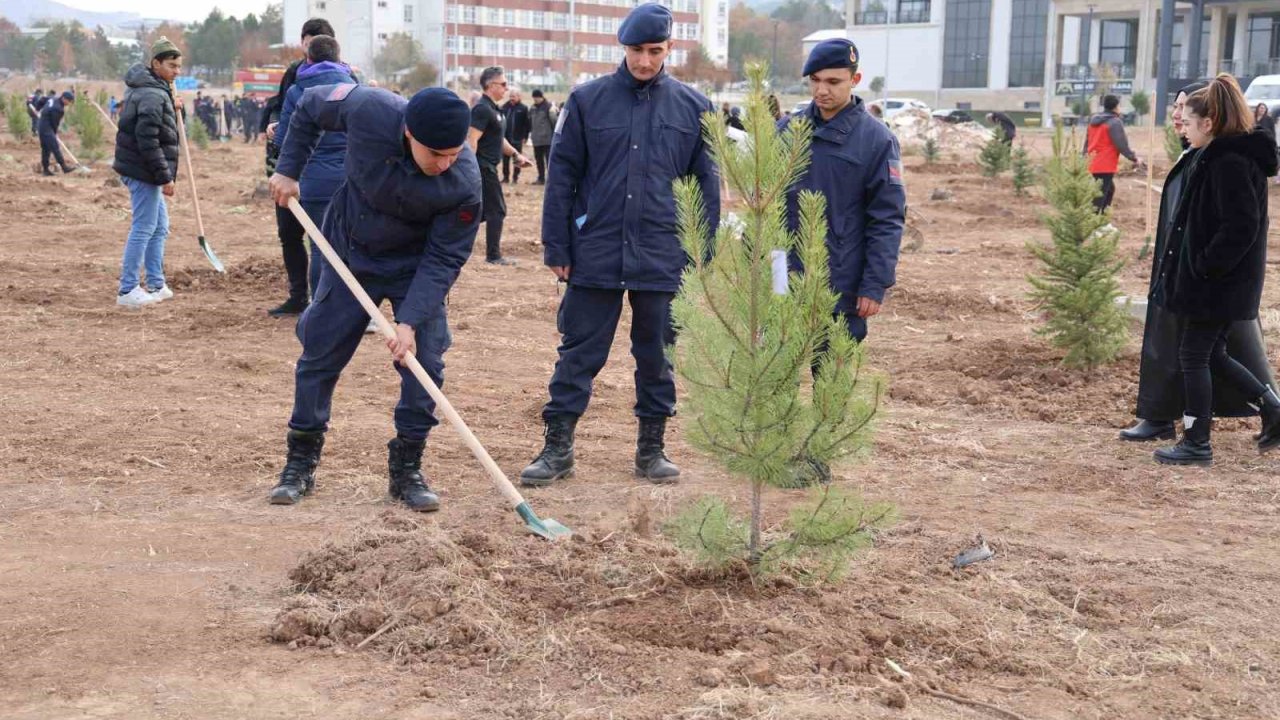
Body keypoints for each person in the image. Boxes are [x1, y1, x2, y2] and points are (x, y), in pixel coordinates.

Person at [519, 2, 720, 487]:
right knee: (578, 354)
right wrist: (558, 247)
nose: (645, 61)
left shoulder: (694, 109)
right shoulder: (588, 102)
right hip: (597, 251)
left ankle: (652, 450)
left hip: (662, 255)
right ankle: (557, 449)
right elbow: (562, 179)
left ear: (670, 48)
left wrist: (702, 254)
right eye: (636, 50)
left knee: (658, 355)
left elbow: (706, 189)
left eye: (655, 50)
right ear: (623, 48)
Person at [267, 85, 482, 510]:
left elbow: (444, 257)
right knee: (320, 352)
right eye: (435, 153)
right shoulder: (368, 109)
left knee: (426, 363)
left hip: (414, 267)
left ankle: (407, 466)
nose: (444, 164)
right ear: (408, 133)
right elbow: (309, 106)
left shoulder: (464, 184)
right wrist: (289, 169)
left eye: (453, 153)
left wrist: (411, 321)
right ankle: (301, 459)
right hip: (349, 252)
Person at [1120, 81, 1278, 442]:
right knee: (1212, 355)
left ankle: (1196, 441)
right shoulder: (1218, 156)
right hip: (1214, 283)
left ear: (1208, 123)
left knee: (1194, 356)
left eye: (1187, 120)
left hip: (1215, 285)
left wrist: (1204, 268)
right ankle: (1272, 409)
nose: (1181, 125)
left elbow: (1241, 226)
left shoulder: (1228, 162)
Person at [782, 39, 905, 346]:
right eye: (815, 81)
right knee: (775, 380)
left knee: (830, 385)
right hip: (783, 279)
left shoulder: (877, 141)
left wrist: (874, 284)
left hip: (841, 283)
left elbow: (887, 218)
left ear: (855, 79)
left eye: (833, 82)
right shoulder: (787, 131)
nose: (822, 90)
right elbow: (765, 204)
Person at [272, 34, 358, 316]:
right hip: (352, 177)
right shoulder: (353, 87)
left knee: (321, 245)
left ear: (308, 58)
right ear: (338, 58)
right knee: (351, 244)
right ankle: (355, 312)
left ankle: (322, 312)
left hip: (315, 180)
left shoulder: (298, 90)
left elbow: (286, 139)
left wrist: (275, 133)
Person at [261, 17, 335, 317]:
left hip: (315, 166)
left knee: (322, 239)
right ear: (302, 41)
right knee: (289, 232)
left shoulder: (343, 75)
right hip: (291, 165)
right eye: (308, 40)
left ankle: (324, 305)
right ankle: (298, 295)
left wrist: (281, 131)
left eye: (316, 41)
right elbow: (280, 105)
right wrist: (272, 124)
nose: (309, 46)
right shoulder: (294, 73)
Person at [111, 38, 183, 309]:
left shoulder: (156, 89)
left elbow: (166, 130)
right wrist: (164, 176)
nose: (177, 71)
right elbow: (148, 141)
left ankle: (155, 283)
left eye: (179, 66)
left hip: (144, 168)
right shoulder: (152, 93)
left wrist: (176, 109)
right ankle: (127, 290)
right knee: (144, 226)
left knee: (160, 226)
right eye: (172, 66)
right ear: (156, 64)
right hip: (142, 170)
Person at [468, 66, 532, 266]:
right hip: (482, 167)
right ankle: (493, 255)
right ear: (490, 85)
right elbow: (472, 140)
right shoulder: (481, 109)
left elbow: (499, 139)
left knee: (483, 212)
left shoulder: (495, 110)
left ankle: (450, 236)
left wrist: (516, 155)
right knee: (497, 210)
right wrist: (470, 171)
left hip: (489, 166)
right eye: (503, 84)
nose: (506, 88)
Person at [1084, 94, 1140, 213]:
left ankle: (1102, 219)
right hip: (1105, 164)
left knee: (1109, 190)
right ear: (1116, 107)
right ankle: (1095, 224)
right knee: (1100, 195)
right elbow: (1121, 144)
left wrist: (1083, 157)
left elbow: (1087, 142)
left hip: (1093, 162)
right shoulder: (1114, 122)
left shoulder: (1093, 121)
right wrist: (1134, 158)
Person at [38, 90, 77, 176]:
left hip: (41, 125)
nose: (69, 103)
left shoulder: (52, 98)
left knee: (46, 149)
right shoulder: (59, 109)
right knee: (55, 147)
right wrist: (54, 133)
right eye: (69, 101)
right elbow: (54, 123)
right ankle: (64, 168)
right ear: (64, 98)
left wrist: (38, 108)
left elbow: (42, 99)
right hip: (47, 128)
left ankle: (45, 170)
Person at [528, 89, 558, 185]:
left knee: (549, 160)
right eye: (534, 97)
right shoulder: (532, 108)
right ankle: (541, 178)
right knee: (539, 160)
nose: (535, 99)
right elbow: (529, 122)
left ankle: (551, 179)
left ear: (541, 97)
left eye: (537, 97)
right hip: (536, 139)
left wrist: (555, 136)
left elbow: (555, 122)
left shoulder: (549, 108)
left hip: (547, 139)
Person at [501, 89, 531, 184]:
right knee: (505, 160)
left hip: (517, 138)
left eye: (513, 96)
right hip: (506, 138)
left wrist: (525, 136)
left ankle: (515, 178)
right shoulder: (504, 107)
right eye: (510, 96)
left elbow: (527, 124)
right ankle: (506, 177)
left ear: (519, 97)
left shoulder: (523, 108)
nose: (511, 98)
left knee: (517, 159)